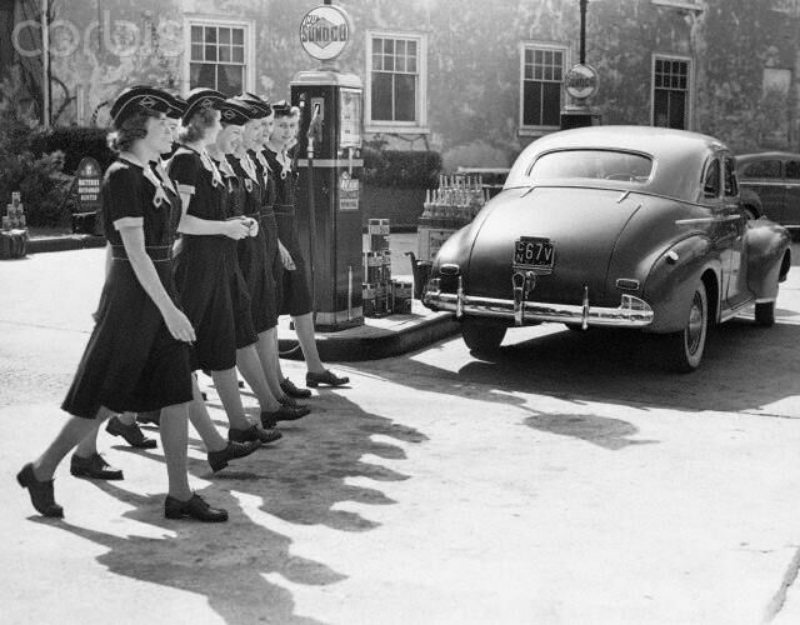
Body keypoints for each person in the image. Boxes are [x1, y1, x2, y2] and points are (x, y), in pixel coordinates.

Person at [17, 86, 245, 521]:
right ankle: (42, 468)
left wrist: (170, 304)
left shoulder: (153, 171)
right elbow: (134, 252)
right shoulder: (122, 176)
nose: (172, 131)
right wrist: (171, 311)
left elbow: (163, 243)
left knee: (177, 390)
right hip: (136, 297)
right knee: (103, 397)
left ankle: (179, 493)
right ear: (138, 128)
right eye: (163, 124)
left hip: (159, 290)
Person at [169, 90, 305, 441]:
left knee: (234, 338)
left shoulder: (210, 161)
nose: (230, 131)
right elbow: (178, 223)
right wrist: (227, 227)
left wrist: (241, 224)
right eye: (222, 123)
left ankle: (243, 423)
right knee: (175, 352)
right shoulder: (186, 161)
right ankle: (128, 414)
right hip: (197, 266)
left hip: (223, 259)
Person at [263, 100, 350, 391]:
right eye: (281, 125)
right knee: (270, 309)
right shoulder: (263, 158)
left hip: (290, 235)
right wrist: (276, 245)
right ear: (269, 127)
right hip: (272, 236)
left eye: (291, 126)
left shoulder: (287, 157)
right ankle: (275, 379)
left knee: (301, 302)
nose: (288, 132)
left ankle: (315, 368)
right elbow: (261, 209)